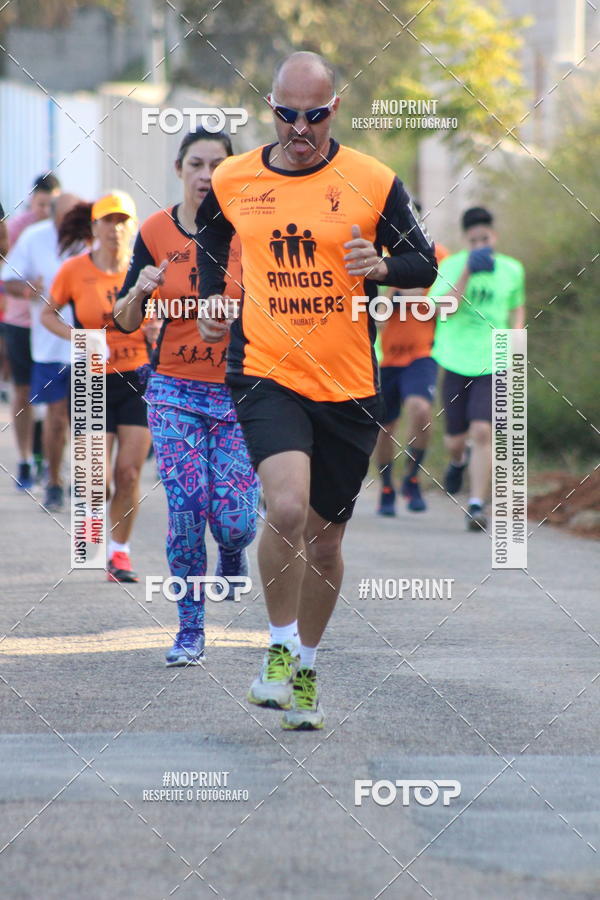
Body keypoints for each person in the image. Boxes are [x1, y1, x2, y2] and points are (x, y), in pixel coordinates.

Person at [195, 51, 437, 729]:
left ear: (335, 109)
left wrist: (382, 265)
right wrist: (215, 299)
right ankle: (274, 650)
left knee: (327, 540)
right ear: (270, 108)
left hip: (350, 383)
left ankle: (304, 666)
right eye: (286, 114)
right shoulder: (235, 177)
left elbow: (425, 264)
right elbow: (213, 233)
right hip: (267, 368)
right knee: (289, 507)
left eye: (314, 115)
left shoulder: (372, 181)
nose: (299, 128)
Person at [112, 127, 259, 666]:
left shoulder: (251, 232)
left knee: (236, 521)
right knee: (186, 508)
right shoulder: (154, 230)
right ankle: (190, 630)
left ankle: (235, 552)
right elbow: (124, 320)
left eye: (218, 166)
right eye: (196, 164)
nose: (206, 175)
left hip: (240, 394)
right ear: (179, 169)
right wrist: (141, 290)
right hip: (172, 390)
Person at [41, 192, 151, 582]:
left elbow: (163, 318)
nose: (115, 229)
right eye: (107, 221)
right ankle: (95, 535)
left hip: (137, 377)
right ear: (94, 227)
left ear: (133, 227)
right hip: (90, 377)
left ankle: (119, 554)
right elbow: (46, 315)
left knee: (129, 474)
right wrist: (75, 337)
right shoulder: (73, 270)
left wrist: (155, 328)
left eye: (122, 221)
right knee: (96, 480)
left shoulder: (143, 273)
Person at [429, 206, 525, 531]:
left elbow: (517, 308)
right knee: (455, 440)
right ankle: (457, 461)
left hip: (493, 360)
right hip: (455, 359)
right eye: (474, 241)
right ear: (466, 242)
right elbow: (442, 310)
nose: (481, 244)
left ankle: (475, 505)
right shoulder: (451, 266)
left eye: (485, 239)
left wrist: (516, 343)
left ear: (494, 237)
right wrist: (467, 272)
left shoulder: (512, 270)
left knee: (483, 431)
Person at [1, 193, 81, 508]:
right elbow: (8, 280)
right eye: (66, 218)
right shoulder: (34, 238)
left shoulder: (93, 239)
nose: (72, 225)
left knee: (86, 417)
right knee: (57, 417)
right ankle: (54, 481)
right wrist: (26, 288)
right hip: (49, 345)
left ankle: (83, 481)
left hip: (89, 344)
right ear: (54, 217)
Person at [376, 221, 449, 515]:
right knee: (385, 426)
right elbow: (373, 308)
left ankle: (413, 477)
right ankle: (386, 487)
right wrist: (392, 297)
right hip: (385, 356)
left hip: (422, 352)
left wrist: (417, 296)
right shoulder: (379, 254)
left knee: (420, 410)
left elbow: (443, 300)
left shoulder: (439, 255)